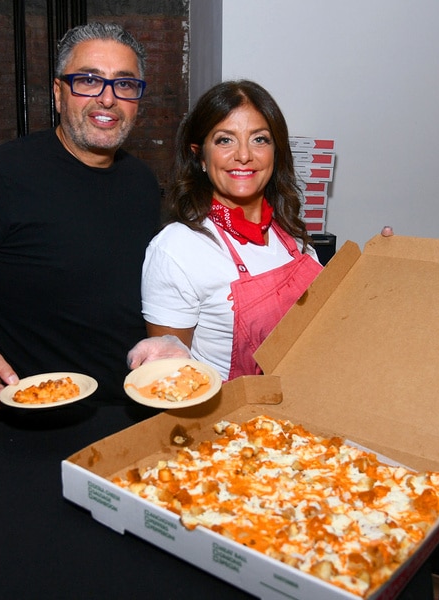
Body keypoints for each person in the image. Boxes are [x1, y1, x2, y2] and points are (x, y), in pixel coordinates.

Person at [0, 22, 161, 425]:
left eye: (124, 85)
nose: (107, 99)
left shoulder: (143, 182)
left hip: (129, 413)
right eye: (88, 81)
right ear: (58, 93)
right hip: (27, 421)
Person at [127, 80, 324, 381]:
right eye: (224, 140)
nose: (244, 155)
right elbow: (172, 388)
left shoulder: (291, 233)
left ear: (276, 151)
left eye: (259, 139)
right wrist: (166, 371)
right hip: (232, 424)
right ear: (200, 156)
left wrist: (384, 267)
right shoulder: (178, 248)